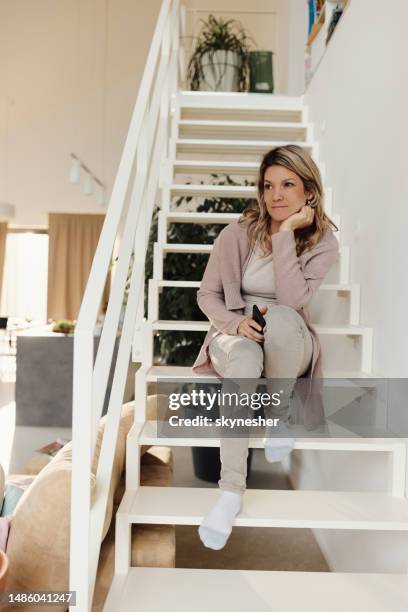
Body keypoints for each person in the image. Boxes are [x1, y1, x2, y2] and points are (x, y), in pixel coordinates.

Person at [191, 144, 339, 550]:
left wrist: (287, 235)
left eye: (288, 184)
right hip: (235, 332)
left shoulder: (322, 243)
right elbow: (207, 295)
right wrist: (235, 323)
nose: (276, 194)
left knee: (283, 317)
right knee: (241, 359)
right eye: (269, 185)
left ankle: (278, 416)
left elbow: (292, 302)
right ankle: (230, 492)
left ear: (309, 191)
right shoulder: (236, 234)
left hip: (290, 339)